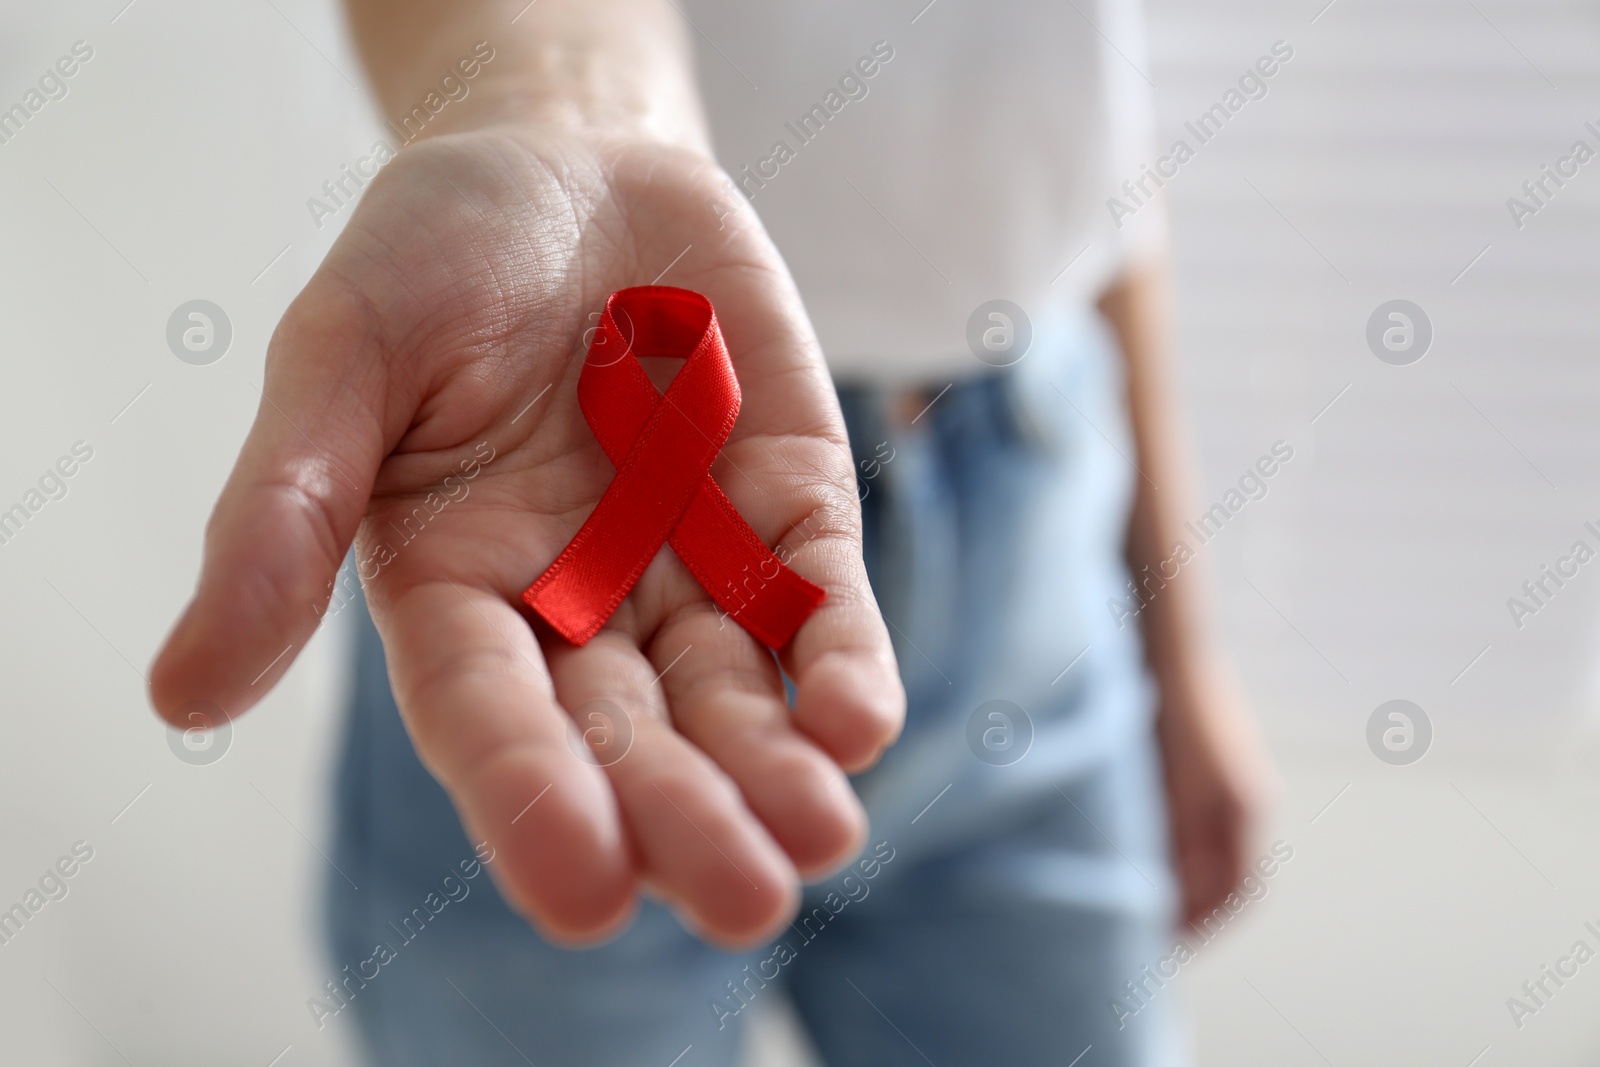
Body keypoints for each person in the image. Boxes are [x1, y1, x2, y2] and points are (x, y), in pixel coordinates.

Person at [150, 0, 1273, 1063]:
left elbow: (1091, 129)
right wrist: (563, 115)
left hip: (1036, 534)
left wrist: (1184, 645)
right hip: (543, 503)